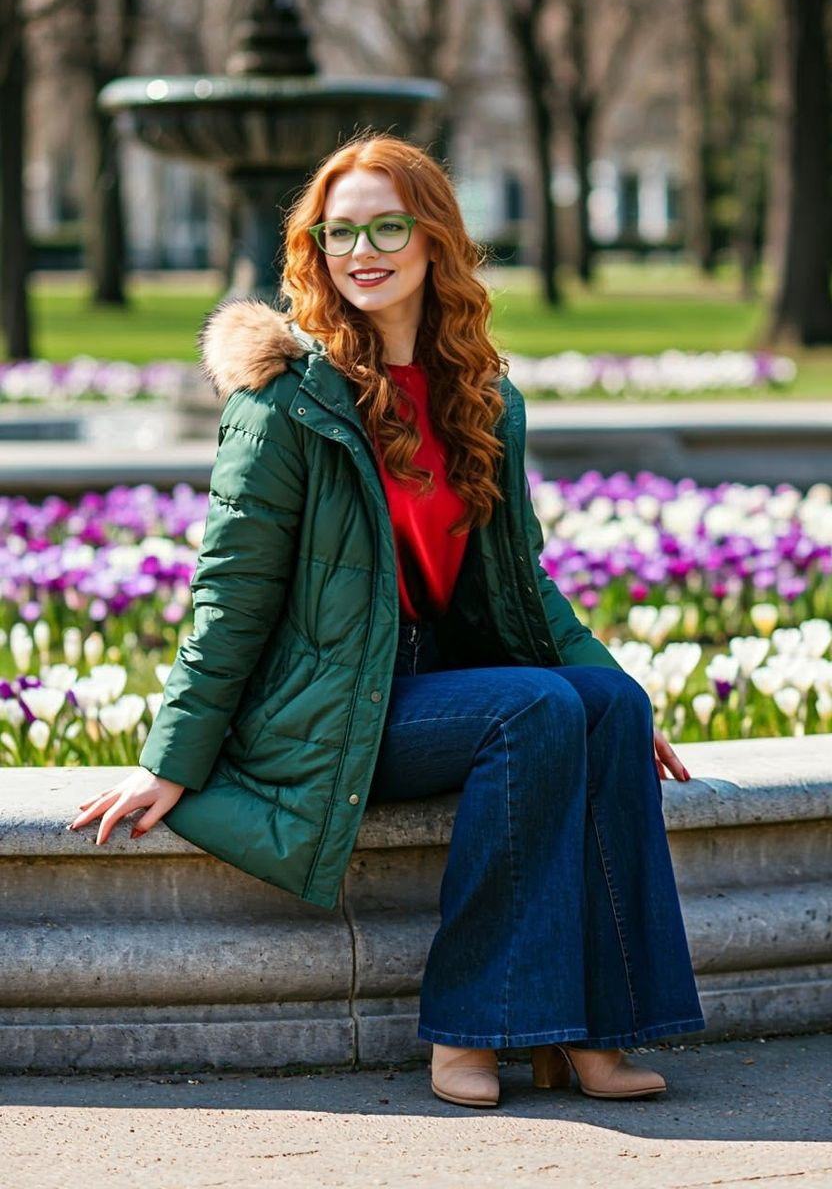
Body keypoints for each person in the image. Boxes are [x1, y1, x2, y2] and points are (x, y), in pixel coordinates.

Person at [69, 132, 706, 1108]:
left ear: (433, 238)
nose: (360, 251)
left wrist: (614, 684)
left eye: (386, 228)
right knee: (534, 708)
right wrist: (171, 758)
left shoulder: (481, 398)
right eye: (339, 233)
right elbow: (230, 589)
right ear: (315, 249)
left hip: (427, 681)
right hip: (324, 701)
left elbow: (522, 583)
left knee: (608, 706)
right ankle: (471, 1027)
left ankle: (595, 1033)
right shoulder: (286, 401)